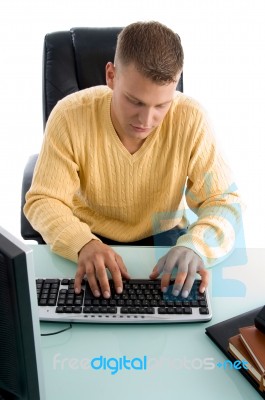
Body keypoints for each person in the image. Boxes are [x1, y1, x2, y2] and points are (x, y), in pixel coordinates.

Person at [24, 21, 242, 300]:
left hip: (166, 243)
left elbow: (225, 201)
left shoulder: (191, 118)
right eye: (134, 101)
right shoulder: (70, 115)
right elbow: (43, 200)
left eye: (161, 105)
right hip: (89, 238)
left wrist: (195, 246)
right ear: (111, 76)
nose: (146, 120)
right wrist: (82, 243)